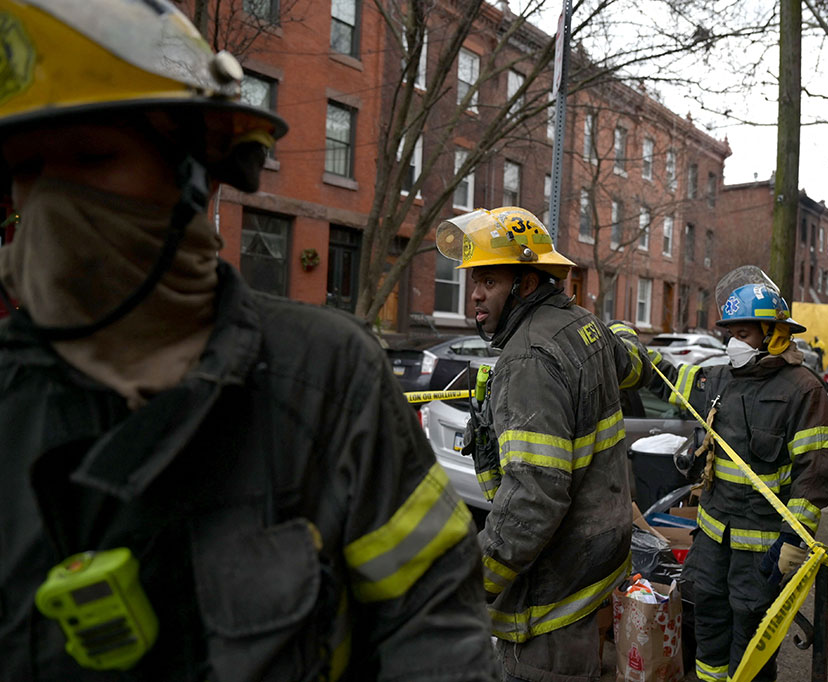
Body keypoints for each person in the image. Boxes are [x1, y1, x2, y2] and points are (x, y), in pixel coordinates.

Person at [0, 1, 497, 680]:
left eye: (92, 157)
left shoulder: (326, 376)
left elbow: (433, 626)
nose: (52, 203)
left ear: (194, 173)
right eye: (27, 169)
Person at [435, 207, 652, 682]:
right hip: (599, 557)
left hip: (555, 589)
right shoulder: (582, 325)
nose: (475, 294)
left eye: (489, 281)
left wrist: (467, 586)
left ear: (527, 283)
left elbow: (533, 497)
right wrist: (622, 331)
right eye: (474, 280)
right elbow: (632, 363)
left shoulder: (528, 358)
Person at [650, 267, 828, 682]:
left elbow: (816, 472)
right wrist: (629, 350)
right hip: (713, 538)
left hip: (762, 547)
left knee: (751, 633)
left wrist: (794, 539)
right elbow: (666, 380)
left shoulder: (804, 391)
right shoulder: (720, 379)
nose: (733, 343)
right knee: (708, 621)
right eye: (730, 333)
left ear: (774, 335)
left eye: (744, 333)